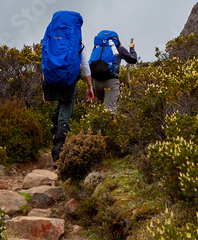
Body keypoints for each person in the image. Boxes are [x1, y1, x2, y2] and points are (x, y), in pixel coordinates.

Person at [41, 11, 94, 163]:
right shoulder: (76, 40)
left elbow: (44, 62)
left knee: (59, 111)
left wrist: (45, 87)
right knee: (66, 114)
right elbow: (84, 65)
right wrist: (90, 86)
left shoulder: (49, 37)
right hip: (70, 81)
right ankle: (58, 156)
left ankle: (55, 130)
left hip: (51, 80)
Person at [88, 30, 137, 113]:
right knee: (110, 109)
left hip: (96, 81)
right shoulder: (119, 48)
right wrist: (131, 48)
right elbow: (133, 59)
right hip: (111, 81)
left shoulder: (97, 48)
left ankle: (98, 124)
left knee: (100, 106)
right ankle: (108, 125)